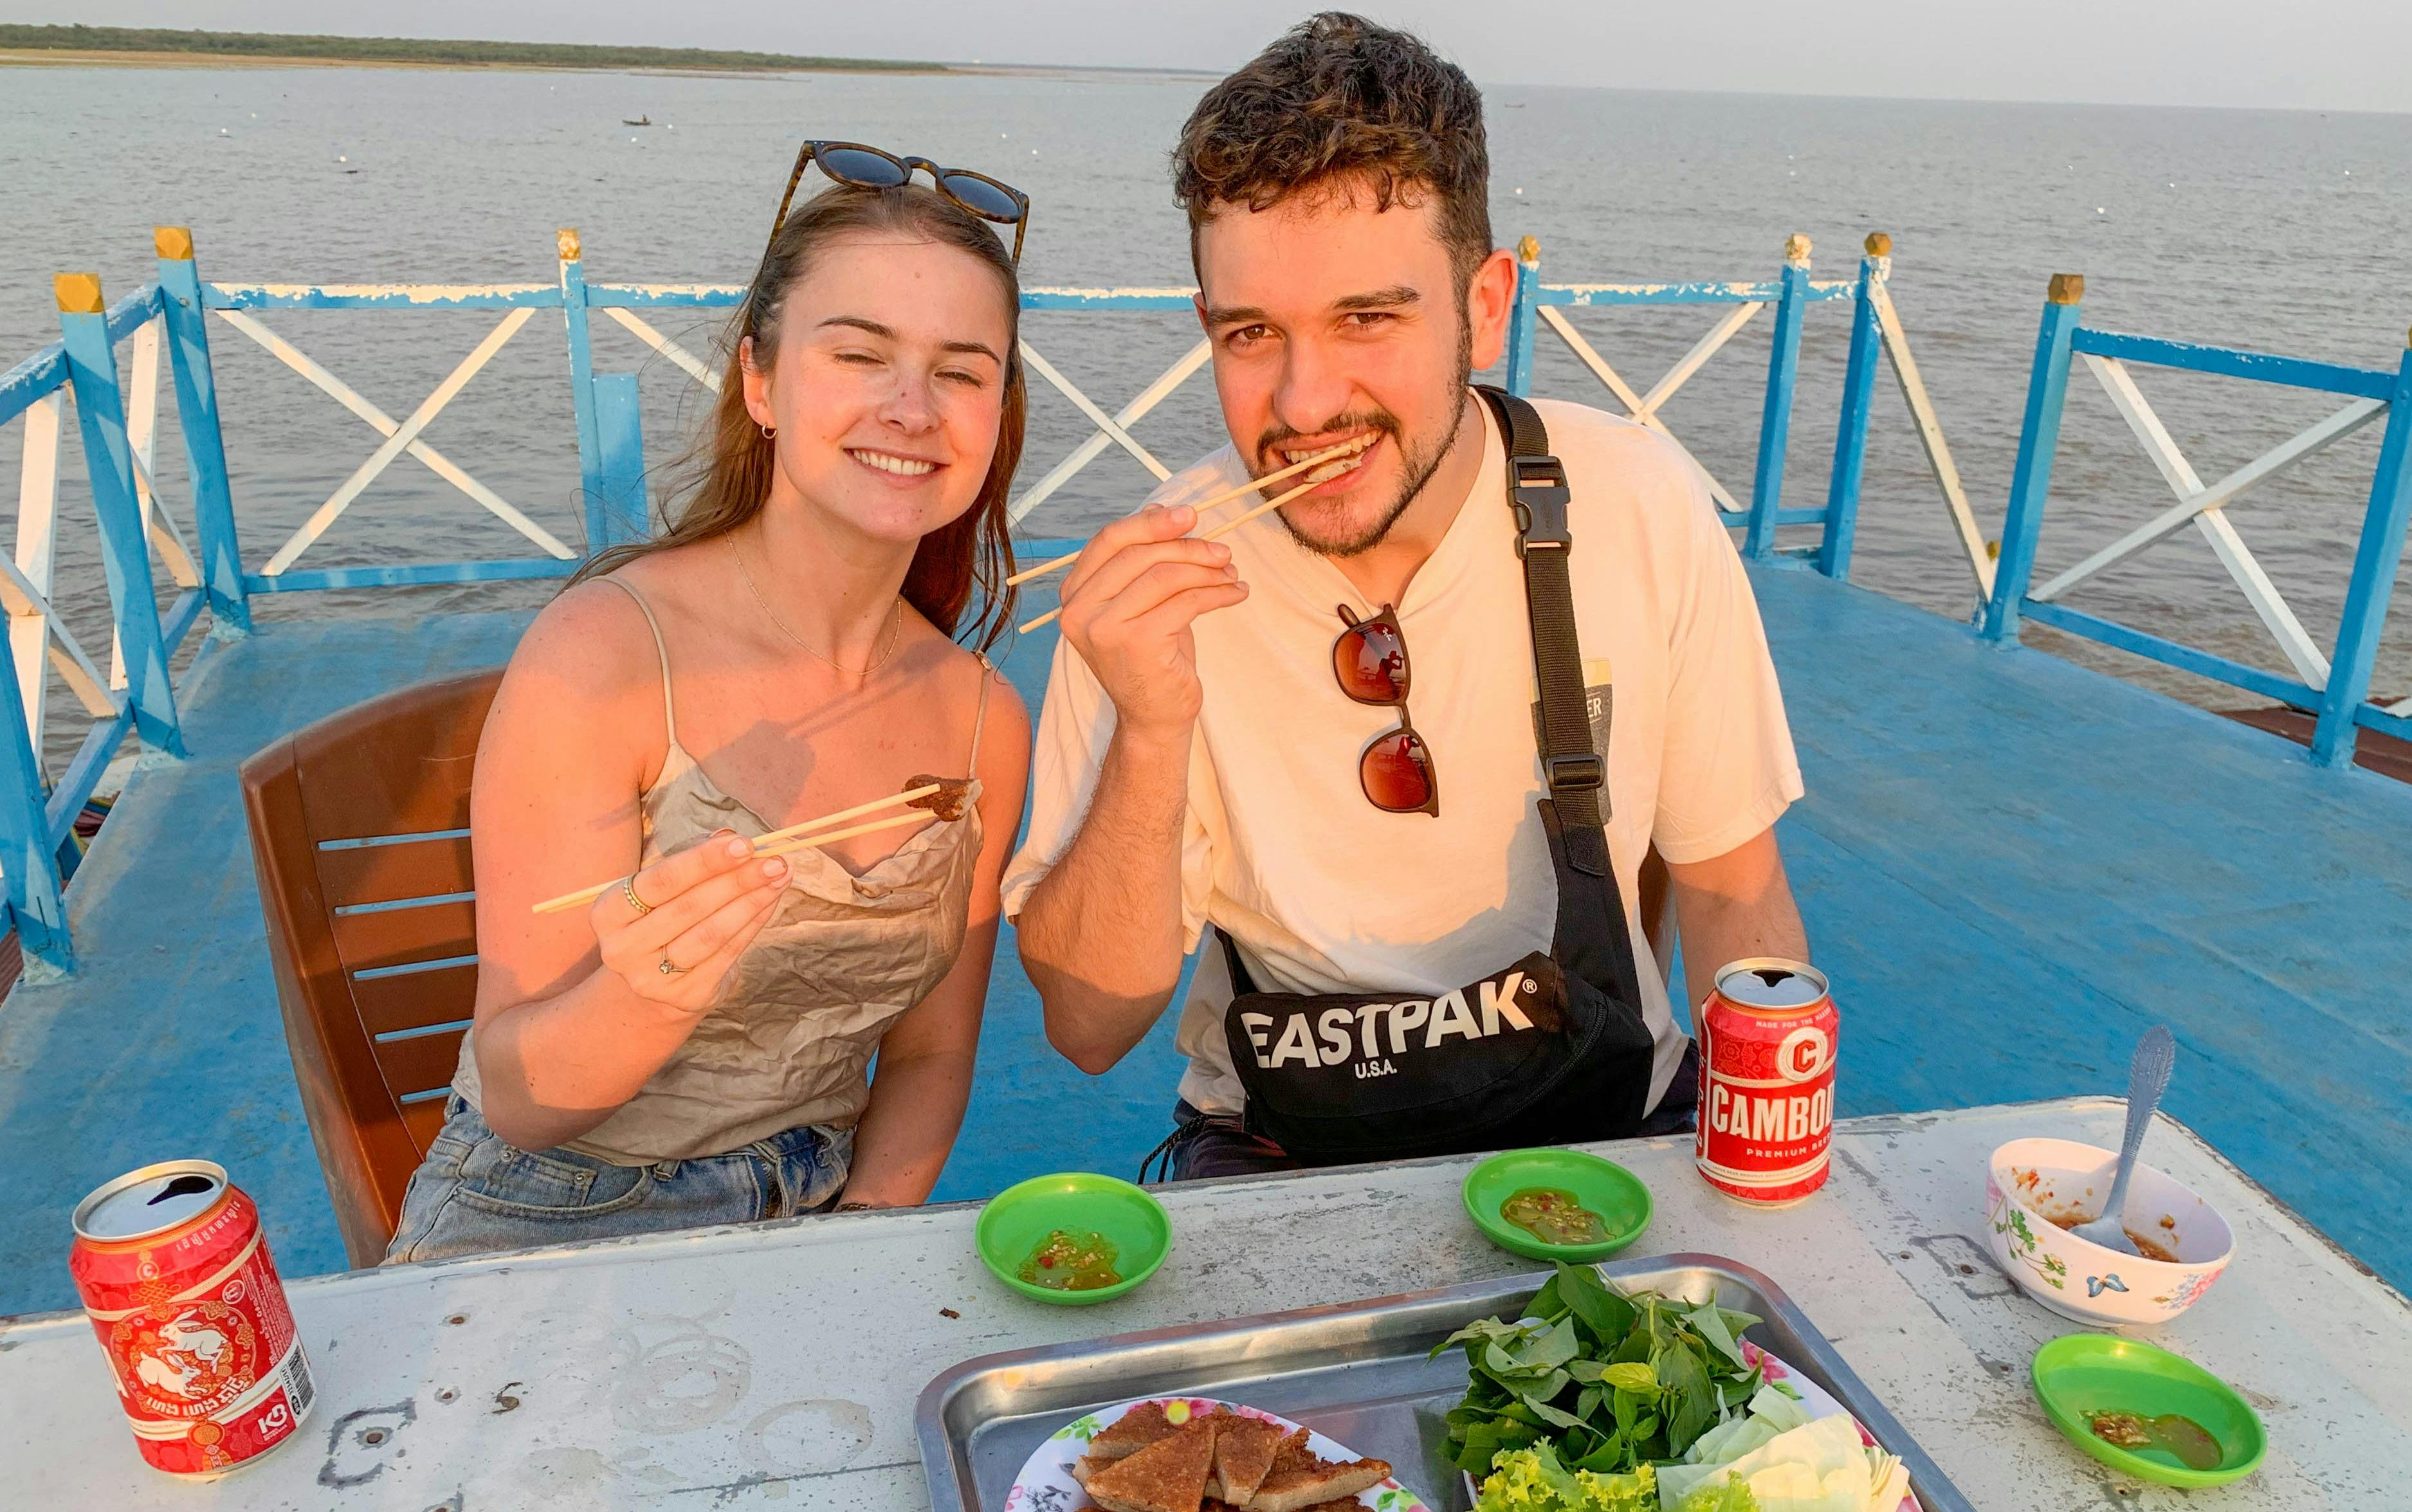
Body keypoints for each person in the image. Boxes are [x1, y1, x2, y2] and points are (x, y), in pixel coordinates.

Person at [1005, 15, 1810, 1180]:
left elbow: (1733, 889)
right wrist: (1151, 723)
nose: (1304, 401)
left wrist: (1768, 1181)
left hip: (1604, 1124)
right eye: (1251, 334)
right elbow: (1087, 1028)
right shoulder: (1156, 581)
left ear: (1484, 306)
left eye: (1367, 320)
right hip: (1287, 1143)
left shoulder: (1631, 500)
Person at [387, 153, 1033, 1261]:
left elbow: (930, 1059)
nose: (911, 408)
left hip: (825, 1211)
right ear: (763, 380)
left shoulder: (983, 718)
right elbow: (522, 1097)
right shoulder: (605, 655)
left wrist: (861, 1247)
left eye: (961, 373)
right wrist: (646, 994)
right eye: (860, 354)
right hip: (557, 1207)